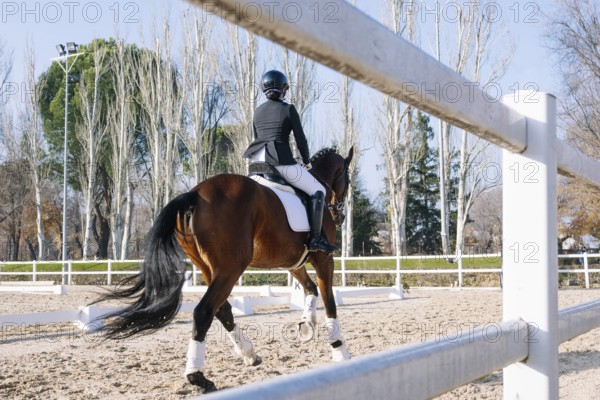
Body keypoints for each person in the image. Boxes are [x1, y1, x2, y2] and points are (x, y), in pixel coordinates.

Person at [243, 70, 337, 253]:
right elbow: (301, 140)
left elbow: (258, 137)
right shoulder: (288, 109)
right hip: (281, 163)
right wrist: (307, 161)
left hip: (256, 164)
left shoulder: (257, 111)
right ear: (283, 90)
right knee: (318, 191)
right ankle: (315, 240)